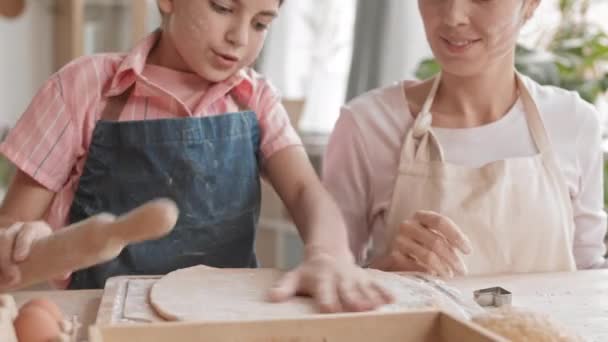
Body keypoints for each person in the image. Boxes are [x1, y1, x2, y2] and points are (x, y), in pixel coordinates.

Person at [0, 0, 392, 313]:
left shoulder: (256, 100)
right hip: (103, 322)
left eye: (261, 23)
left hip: (224, 321)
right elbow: (12, 232)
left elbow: (306, 190)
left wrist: (328, 254)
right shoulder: (84, 88)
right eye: (222, 8)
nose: (240, 37)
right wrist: (25, 237)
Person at [323, 0, 608, 277]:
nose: (453, 16)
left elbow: (589, 278)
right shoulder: (367, 125)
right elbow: (330, 280)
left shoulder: (573, 122)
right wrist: (385, 272)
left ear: (531, 4)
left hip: (548, 326)